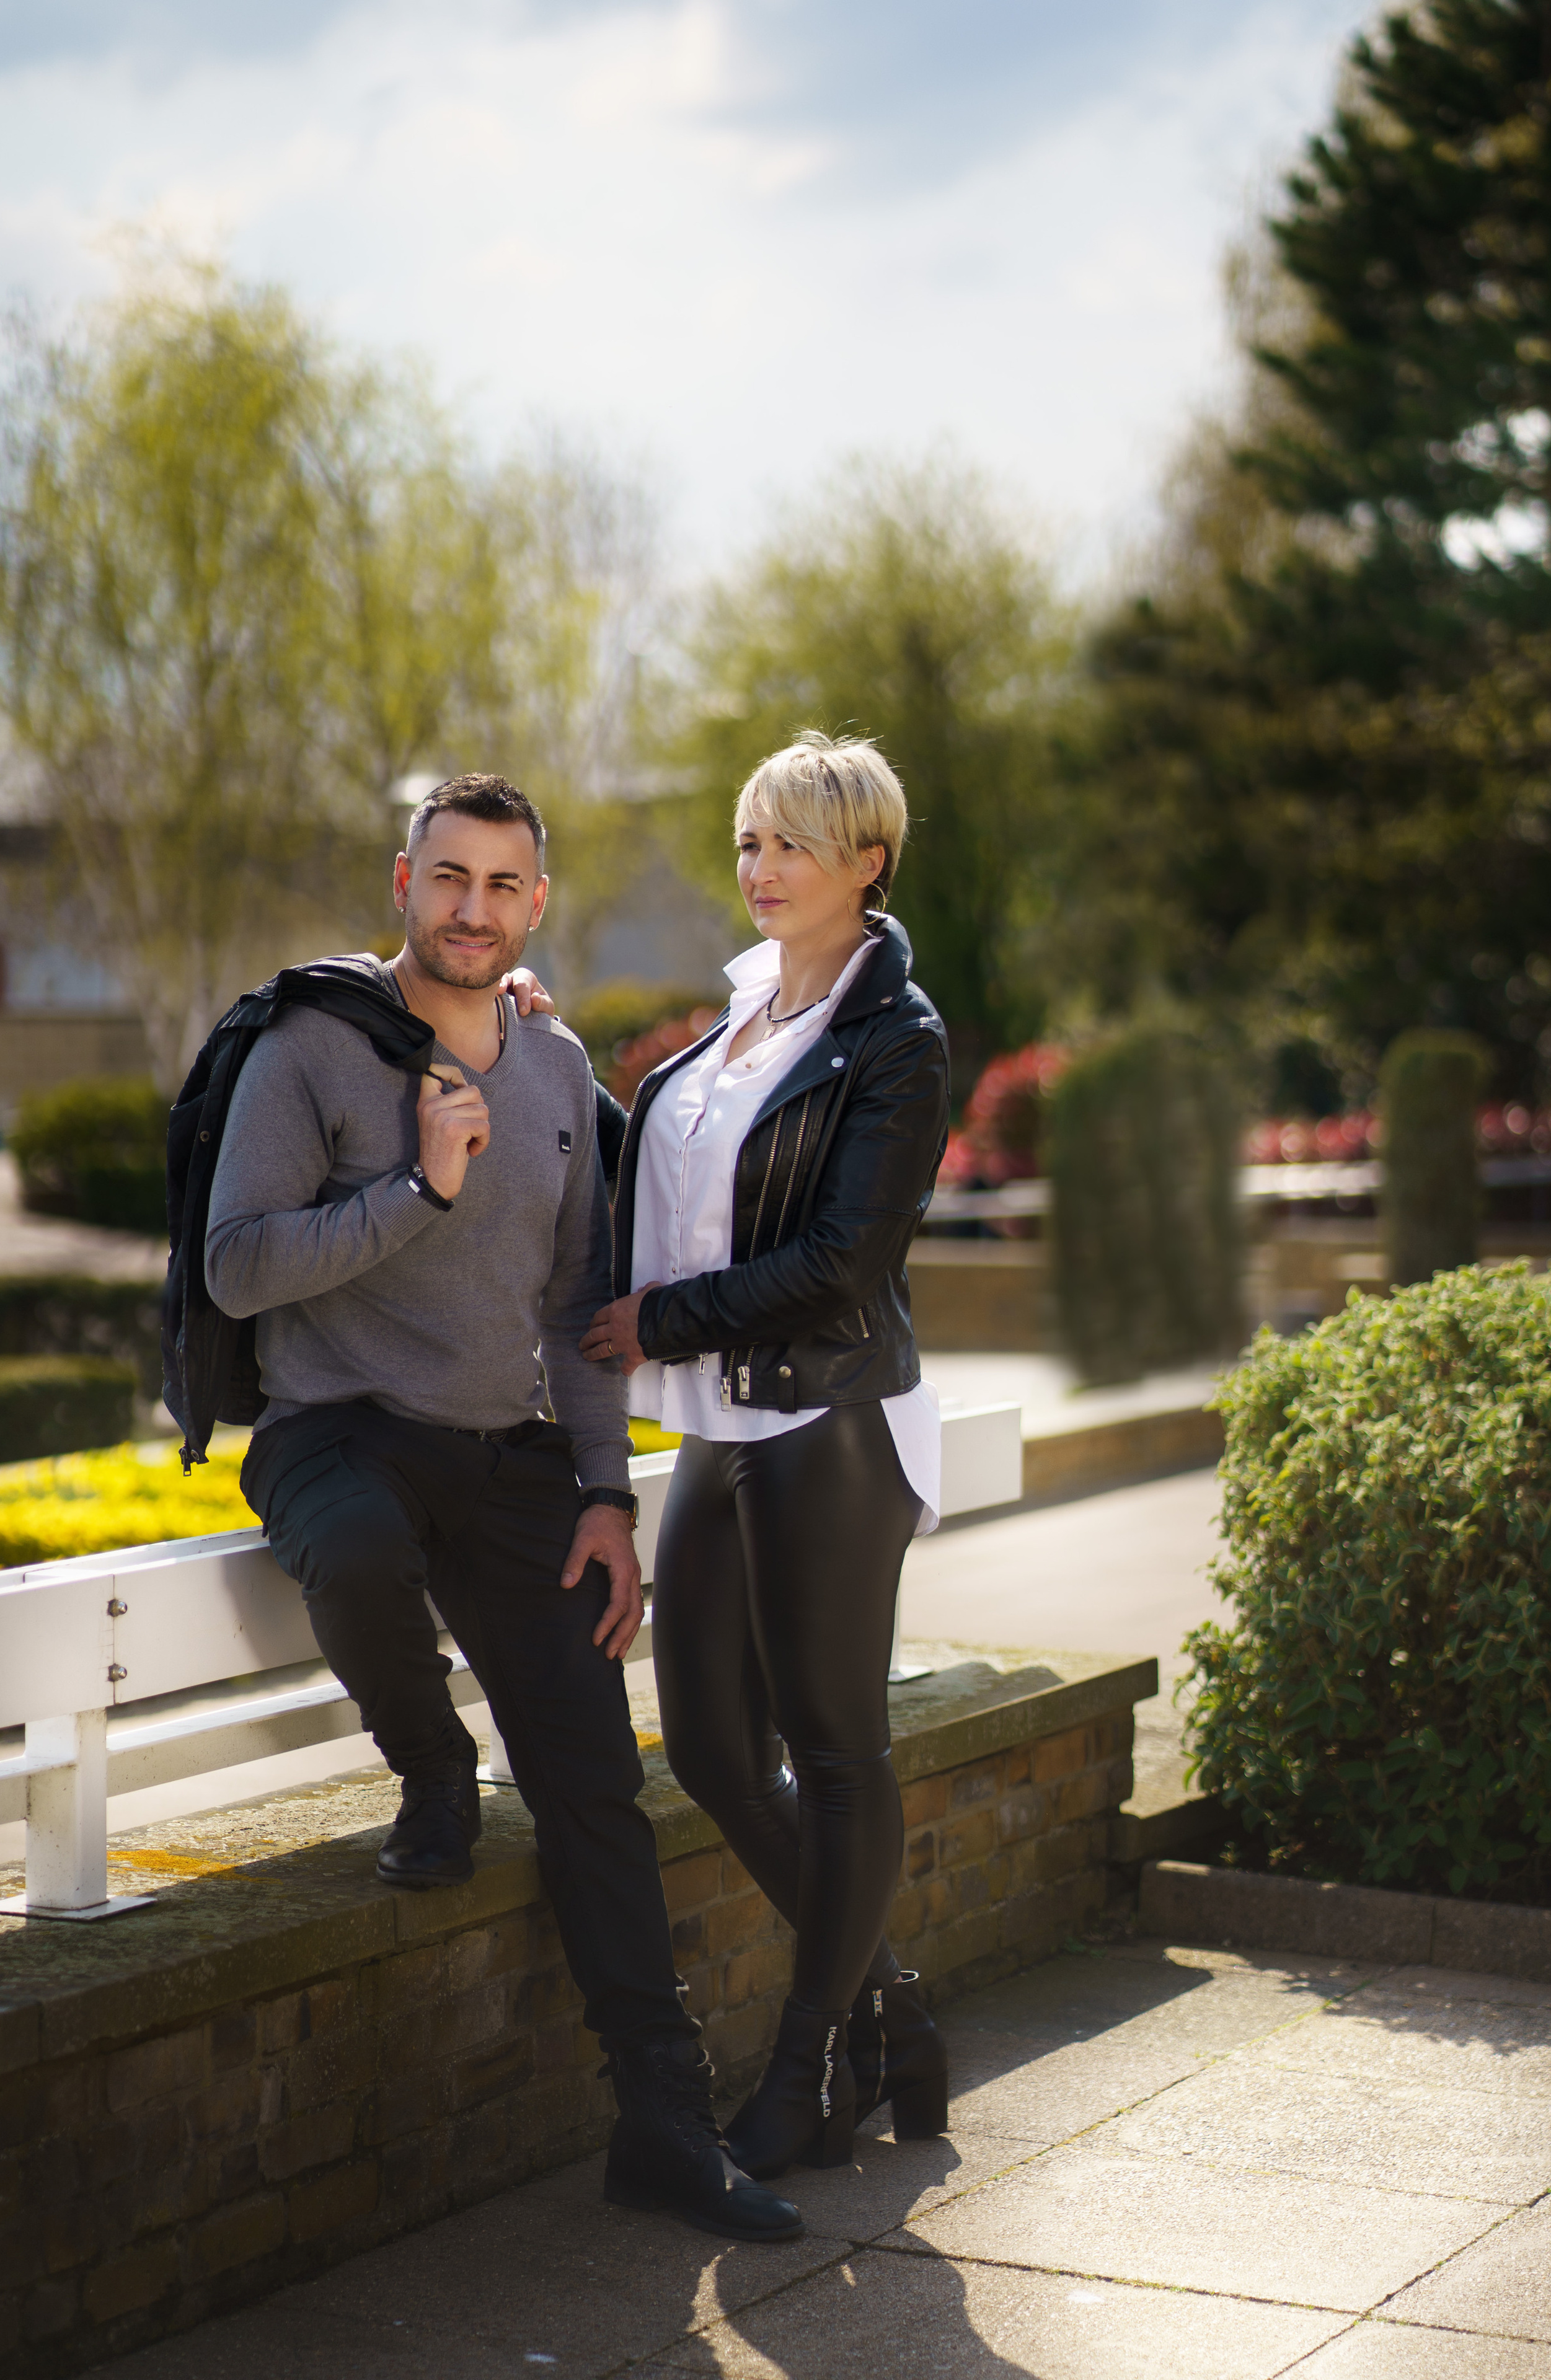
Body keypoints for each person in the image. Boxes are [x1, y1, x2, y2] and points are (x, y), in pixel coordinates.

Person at [203, 772, 800, 2244]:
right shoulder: (310, 1047)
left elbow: (576, 1305)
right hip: (336, 1428)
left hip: (510, 1456)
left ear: (537, 905)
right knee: (350, 1553)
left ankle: (666, 2125)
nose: (473, 908)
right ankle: (429, 1772)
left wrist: (604, 1493)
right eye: (447, 877)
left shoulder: (551, 1068)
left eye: (502, 885)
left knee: (598, 1783)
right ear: (401, 881)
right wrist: (419, 1185)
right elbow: (236, 1268)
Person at [578, 732, 953, 2179]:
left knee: (834, 1750)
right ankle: (894, 2011)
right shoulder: (730, 1023)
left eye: (792, 841)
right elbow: (683, 1188)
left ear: (868, 861)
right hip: (722, 1425)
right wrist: (554, 1062)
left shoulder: (895, 1038)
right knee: (720, 1756)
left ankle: (807, 2076)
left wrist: (655, 1320)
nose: (761, 867)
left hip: (831, 1417)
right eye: (747, 841)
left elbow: (844, 1259)